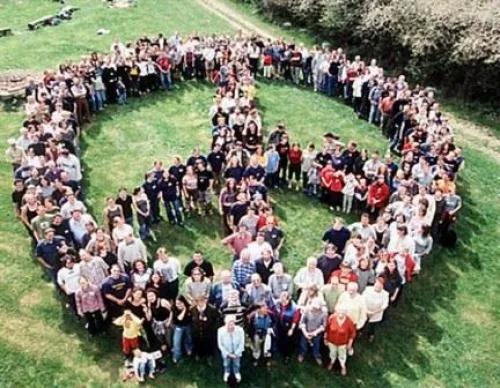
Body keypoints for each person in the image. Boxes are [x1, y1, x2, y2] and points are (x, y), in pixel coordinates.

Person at [324, 307, 356, 376]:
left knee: (342, 355)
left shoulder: (349, 321)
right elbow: (327, 328)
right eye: (339, 312)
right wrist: (325, 338)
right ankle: (332, 362)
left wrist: (350, 343)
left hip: (342, 343)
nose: (341, 314)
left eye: (343, 313)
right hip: (331, 341)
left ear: (346, 313)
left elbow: (352, 333)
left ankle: (342, 366)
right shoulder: (332, 318)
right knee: (332, 352)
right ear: (336, 312)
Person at [191, 296, 220, 361]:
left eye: (202, 301)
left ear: (205, 301)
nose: (200, 303)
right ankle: (198, 354)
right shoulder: (193, 309)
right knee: (197, 342)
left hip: (209, 332)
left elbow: (217, 319)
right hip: (197, 332)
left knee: (209, 343)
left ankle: (210, 356)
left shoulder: (212, 309)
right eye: (197, 301)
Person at [297, 300, 327, 365]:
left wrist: (315, 333)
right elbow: (302, 322)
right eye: (313, 307)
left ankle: (316, 356)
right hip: (306, 330)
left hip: (317, 332)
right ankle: (302, 354)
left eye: (317, 308)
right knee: (303, 344)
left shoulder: (324, 313)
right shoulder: (307, 310)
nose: (314, 309)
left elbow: (323, 326)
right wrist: (305, 333)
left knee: (317, 344)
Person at [217, 315, 245, 383]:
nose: (230, 326)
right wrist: (227, 354)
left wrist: (236, 353)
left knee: (237, 363)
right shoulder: (220, 330)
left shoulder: (240, 330)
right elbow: (220, 345)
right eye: (228, 324)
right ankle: (227, 372)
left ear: (234, 323)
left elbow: (242, 343)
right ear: (225, 324)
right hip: (226, 352)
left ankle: (236, 372)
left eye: (232, 324)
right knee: (226, 363)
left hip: (237, 352)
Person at [274, 291, 300, 361]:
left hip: (289, 326)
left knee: (288, 341)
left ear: (289, 299)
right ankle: (279, 350)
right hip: (279, 325)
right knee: (279, 338)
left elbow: (295, 320)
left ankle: (287, 355)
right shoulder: (278, 303)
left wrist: (291, 329)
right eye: (281, 300)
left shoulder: (295, 308)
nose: (282, 302)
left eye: (284, 301)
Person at [362, 277, 389, 342]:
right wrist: (366, 310)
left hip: (376, 313)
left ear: (382, 286)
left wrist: (374, 312)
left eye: (380, 285)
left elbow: (385, 305)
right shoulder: (368, 289)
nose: (378, 286)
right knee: (362, 322)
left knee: (372, 326)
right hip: (365, 310)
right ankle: (361, 332)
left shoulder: (385, 294)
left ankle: (371, 335)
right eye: (377, 284)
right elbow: (362, 299)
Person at [171, 296, 193, 363]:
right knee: (176, 341)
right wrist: (184, 310)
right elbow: (180, 319)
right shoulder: (174, 309)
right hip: (179, 326)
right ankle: (177, 356)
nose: (178, 305)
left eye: (180, 303)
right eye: (177, 303)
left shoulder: (189, 307)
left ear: (184, 302)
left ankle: (188, 350)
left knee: (188, 338)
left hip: (188, 325)